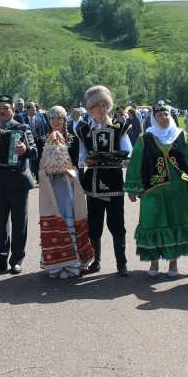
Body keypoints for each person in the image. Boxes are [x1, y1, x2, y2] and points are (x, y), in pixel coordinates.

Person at [124, 102, 188, 277]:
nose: (164, 117)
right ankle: (154, 263)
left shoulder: (182, 136)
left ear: (171, 116)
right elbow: (135, 163)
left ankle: (173, 264)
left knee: (175, 223)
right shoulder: (145, 139)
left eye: (166, 114)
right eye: (160, 115)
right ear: (154, 118)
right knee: (153, 223)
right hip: (152, 191)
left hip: (179, 191)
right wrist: (132, 187)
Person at [75, 85, 131, 276]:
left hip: (114, 180)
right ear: (90, 109)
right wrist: (87, 161)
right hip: (93, 182)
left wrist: (118, 158)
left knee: (117, 224)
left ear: (108, 106)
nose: (100, 108)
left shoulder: (120, 127)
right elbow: (81, 156)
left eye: (103, 104)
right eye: (95, 106)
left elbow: (128, 151)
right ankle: (95, 261)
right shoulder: (83, 130)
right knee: (94, 224)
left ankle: (121, 263)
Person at [0, 95, 37, 274]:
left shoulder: (22, 128)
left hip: (18, 181)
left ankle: (16, 260)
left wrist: (24, 150)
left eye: (6, 108)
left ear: (12, 110)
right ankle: (0, 260)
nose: (2, 111)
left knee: (19, 222)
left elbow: (35, 151)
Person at [38, 106, 94, 278]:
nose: (56, 122)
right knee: (54, 216)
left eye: (60, 118)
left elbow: (77, 162)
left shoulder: (72, 140)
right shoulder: (43, 139)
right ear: (49, 121)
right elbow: (39, 163)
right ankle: (55, 263)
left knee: (69, 216)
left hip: (67, 184)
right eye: (53, 118)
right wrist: (47, 170)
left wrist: (66, 169)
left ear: (65, 120)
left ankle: (72, 262)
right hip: (50, 184)